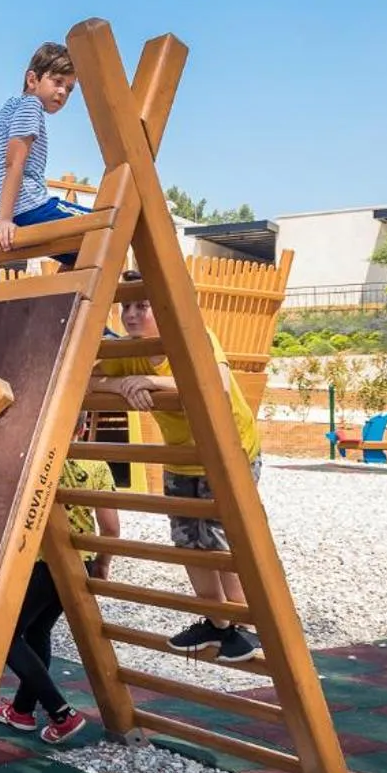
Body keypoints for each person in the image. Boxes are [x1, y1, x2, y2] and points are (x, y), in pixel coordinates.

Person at [94, 270, 263, 663]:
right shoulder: (124, 352)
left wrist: (150, 382)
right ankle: (216, 622)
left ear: (164, 309)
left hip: (229, 451)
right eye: (126, 307)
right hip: (181, 460)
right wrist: (119, 385)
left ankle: (246, 627)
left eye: (142, 306)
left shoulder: (192, 335)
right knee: (188, 543)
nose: (131, 315)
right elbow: (85, 383)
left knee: (220, 541)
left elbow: (216, 381)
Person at [0, 415, 118, 744]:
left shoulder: (42, 458)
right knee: (37, 630)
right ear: (84, 427)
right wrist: (101, 564)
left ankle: (60, 713)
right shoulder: (97, 464)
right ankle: (21, 710)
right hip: (83, 562)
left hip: (46, 564)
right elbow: (112, 527)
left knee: (5, 635)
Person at [0, 43, 81, 264]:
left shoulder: (10, 109)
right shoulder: (30, 106)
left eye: (70, 88)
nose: (63, 92)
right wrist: (4, 219)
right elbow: (14, 163)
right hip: (28, 210)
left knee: (81, 254)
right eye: (57, 82)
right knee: (112, 222)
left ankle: (71, 298)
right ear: (32, 80)